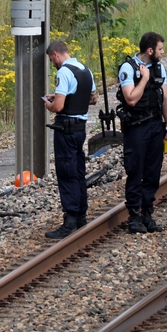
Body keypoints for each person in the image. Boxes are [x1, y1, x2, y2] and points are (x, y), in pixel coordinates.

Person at [117, 32, 167, 233]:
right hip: (137, 127)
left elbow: (165, 100)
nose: (163, 52)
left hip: (155, 125)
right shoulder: (129, 69)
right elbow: (131, 99)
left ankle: (147, 214)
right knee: (135, 170)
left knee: (152, 172)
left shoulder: (159, 67)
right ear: (150, 50)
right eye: (160, 49)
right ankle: (134, 216)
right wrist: (144, 79)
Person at [43, 40, 98, 239]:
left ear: (56, 54)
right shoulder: (85, 70)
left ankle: (70, 218)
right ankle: (81, 214)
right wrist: (61, 96)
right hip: (80, 129)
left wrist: (49, 104)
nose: (53, 64)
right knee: (78, 170)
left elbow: (58, 107)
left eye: (52, 60)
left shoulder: (64, 72)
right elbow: (93, 98)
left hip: (65, 130)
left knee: (66, 173)